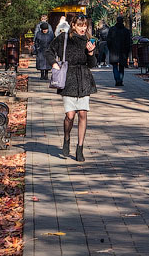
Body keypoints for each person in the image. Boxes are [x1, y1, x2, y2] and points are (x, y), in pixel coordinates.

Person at [50, 15, 98, 161]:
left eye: (85, 25)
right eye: (80, 25)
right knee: (70, 116)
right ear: (73, 25)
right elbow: (49, 51)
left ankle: (80, 148)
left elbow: (92, 64)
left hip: (84, 79)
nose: (83, 28)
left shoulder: (89, 41)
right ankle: (66, 138)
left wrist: (91, 53)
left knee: (83, 114)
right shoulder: (64, 38)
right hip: (68, 78)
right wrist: (53, 63)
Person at [106, 16, 132, 86]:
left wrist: (110, 48)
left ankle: (117, 79)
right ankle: (120, 80)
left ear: (116, 21)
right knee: (121, 66)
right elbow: (128, 42)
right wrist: (128, 52)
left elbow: (108, 40)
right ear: (122, 21)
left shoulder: (112, 29)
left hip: (114, 51)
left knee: (115, 66)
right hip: (123, 51)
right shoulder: (126, 31)